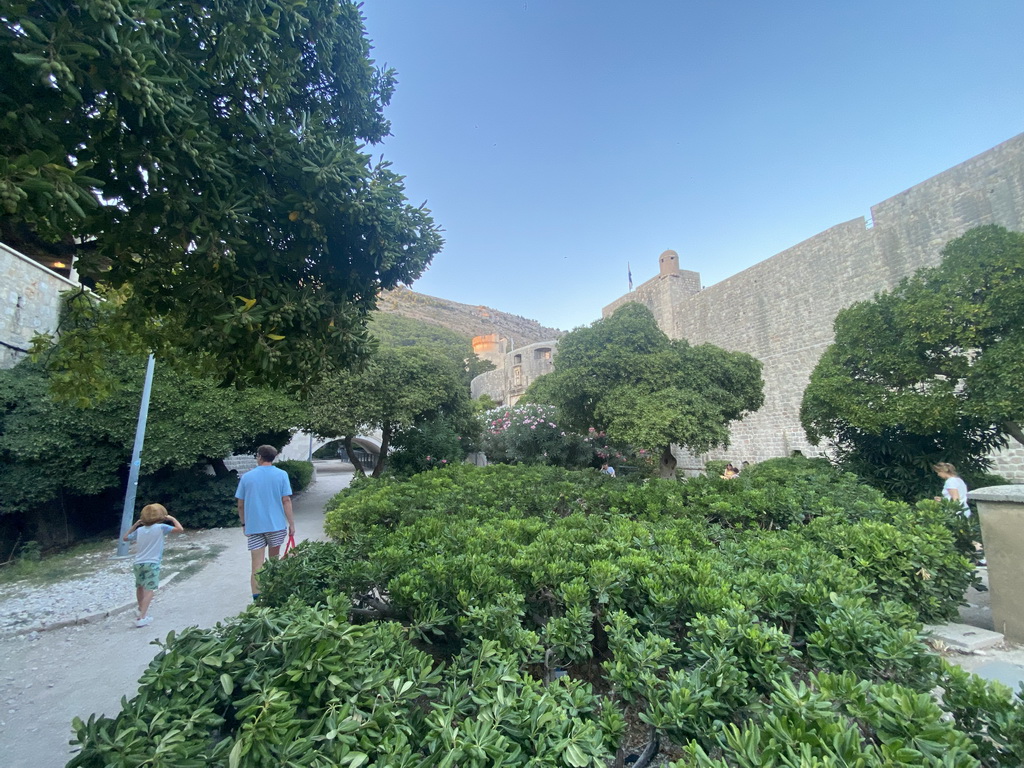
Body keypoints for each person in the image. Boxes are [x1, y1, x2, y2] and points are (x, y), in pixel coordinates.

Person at [235, 444, 296, 599]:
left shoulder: (247, 477)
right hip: (276, 526)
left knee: (256, 565)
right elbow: (286, 500)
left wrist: (244, 524)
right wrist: (291, 524)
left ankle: (257, 599)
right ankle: (273, 594)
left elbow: (240, 504)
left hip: (254, 527)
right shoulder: (282, 475)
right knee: (273, 561)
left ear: (260, 457)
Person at [122, 503, 184, 628]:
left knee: (139, 587)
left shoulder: (139, 530)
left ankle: (140, 609)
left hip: (138, 563)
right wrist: (172, 519)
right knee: (149, 590)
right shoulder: (161, 527)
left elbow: (125, 538)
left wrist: (135, 525)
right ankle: (142, 618)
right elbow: (180, 529)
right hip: (152, 563)